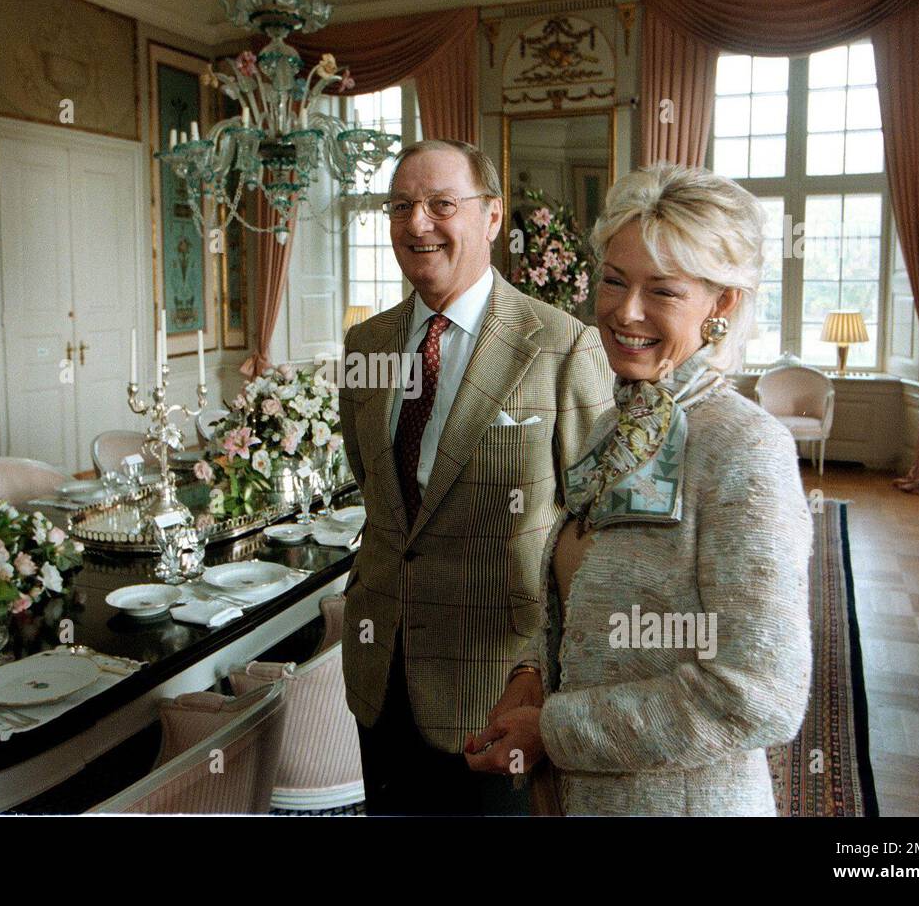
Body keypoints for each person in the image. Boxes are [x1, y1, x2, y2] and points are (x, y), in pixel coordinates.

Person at [466, 162, 813, 816]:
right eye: (614, 281)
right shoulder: (614, 425)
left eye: (664, 292)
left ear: (723, 304)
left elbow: (761, 695)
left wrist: (556, 730)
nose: (626, 313)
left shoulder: (745, 448)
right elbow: (586, 604)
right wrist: (535, 677)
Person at [338, 139, 613, 815]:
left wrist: (550, 684)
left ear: (491, 218)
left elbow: (596, 531)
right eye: (401, 205)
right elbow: (380, 497)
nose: (417, 223)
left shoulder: (563, 346)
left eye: (441, 204)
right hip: (380, 675)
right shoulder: (364, 346)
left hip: (498, 691)